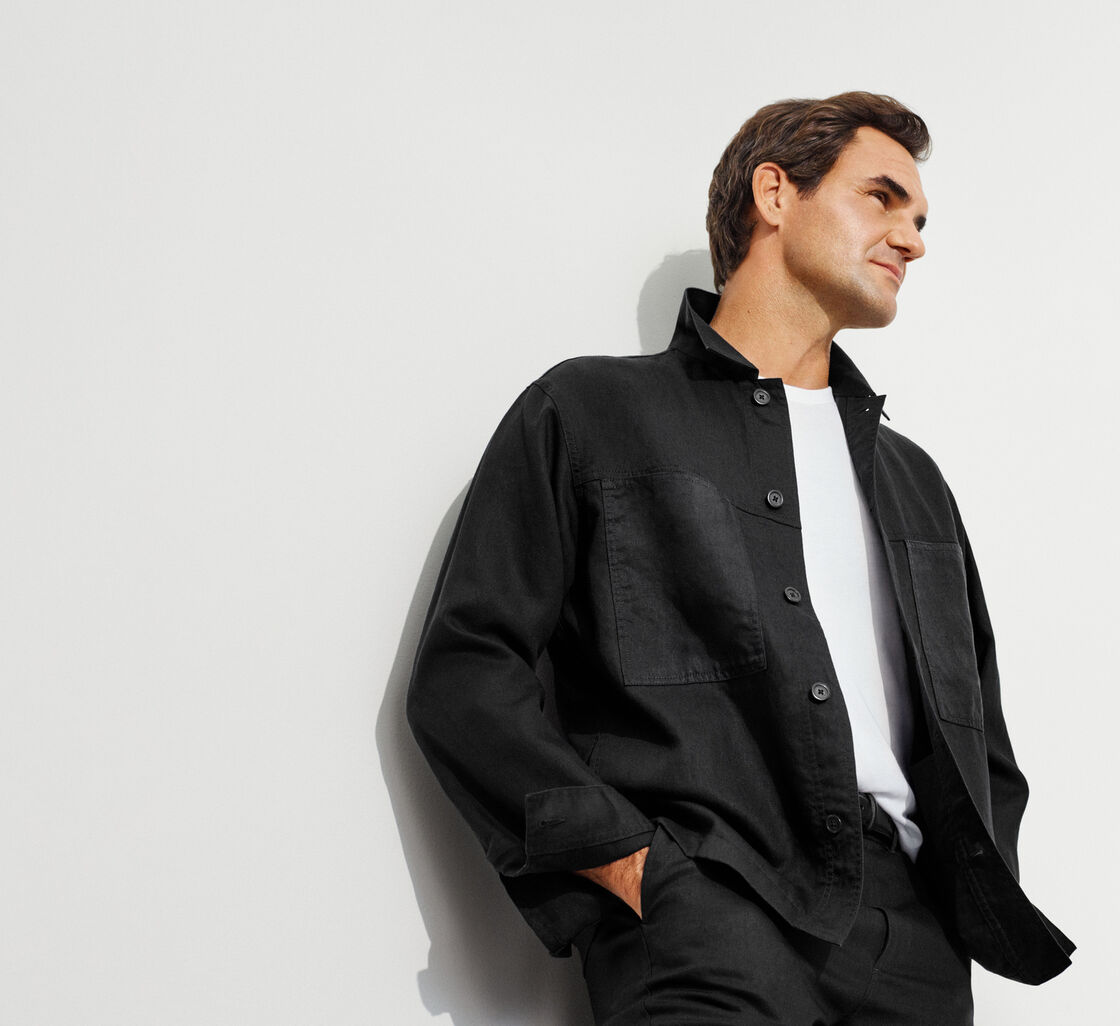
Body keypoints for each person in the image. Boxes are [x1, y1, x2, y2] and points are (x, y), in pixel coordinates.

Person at [407, 91, 1074, 1024]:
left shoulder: (913, 482)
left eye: (919, 219)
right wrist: (639, 875)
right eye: (882, 199)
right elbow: (469, 670)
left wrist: (955, 906)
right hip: (710, 918)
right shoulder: (595, 414)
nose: (913, 239)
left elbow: (978, 738)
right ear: (774, 193)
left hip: (911, 952)